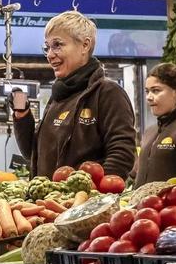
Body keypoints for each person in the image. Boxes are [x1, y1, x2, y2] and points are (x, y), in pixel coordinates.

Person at [12, 10, 136, 179]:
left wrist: (89, 195)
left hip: (84, 203)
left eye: (57, 45)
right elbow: (32, 153)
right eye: (47, 47)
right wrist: (22, 115)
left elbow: (122, 155)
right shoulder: (58, 96)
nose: (49, 54)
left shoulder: (108, 93)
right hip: (49, 203)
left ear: (85, 45)